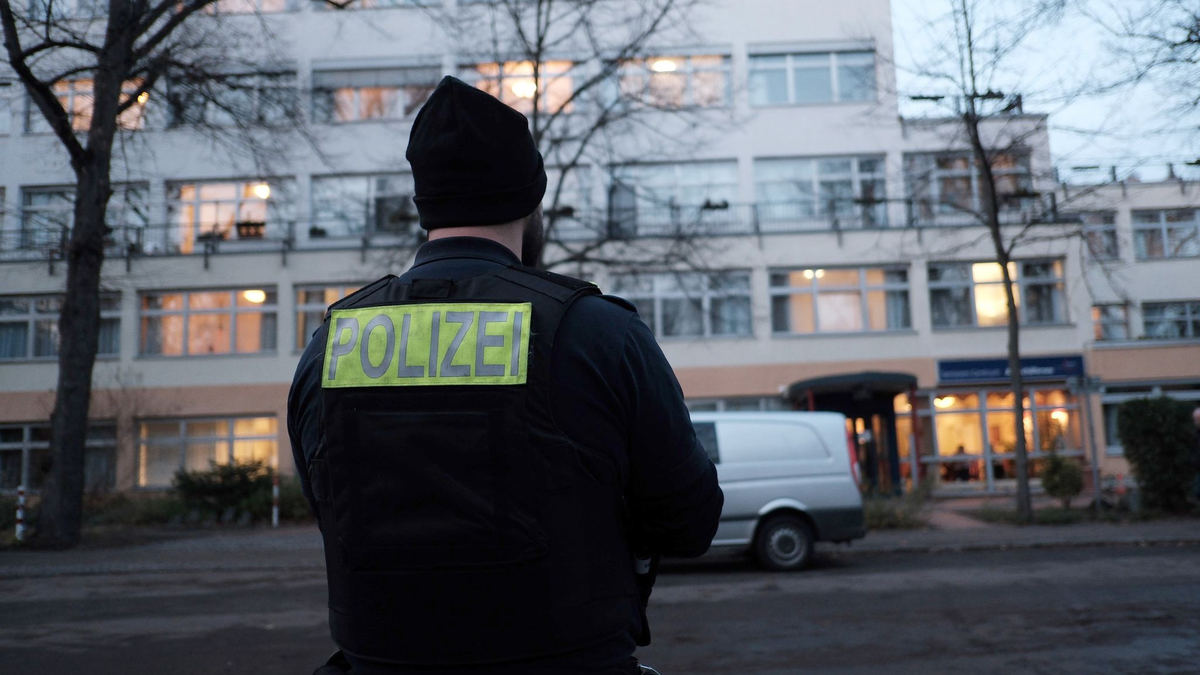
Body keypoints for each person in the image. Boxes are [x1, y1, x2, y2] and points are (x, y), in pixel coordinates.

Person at [287, 76, 724, 675]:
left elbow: (328, 506)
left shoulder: (329, 345)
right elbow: (689, 520)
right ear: (531, 201)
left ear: (425, 205)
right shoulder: (596, 332)